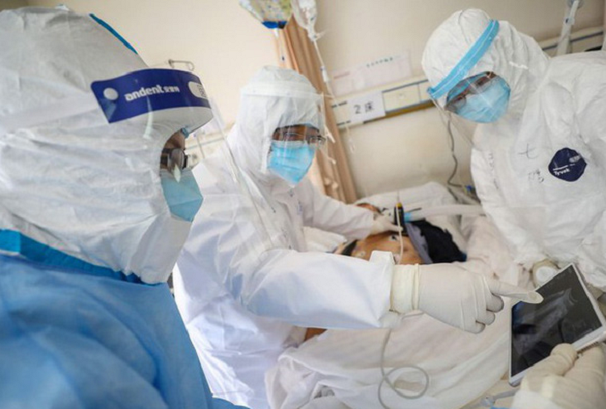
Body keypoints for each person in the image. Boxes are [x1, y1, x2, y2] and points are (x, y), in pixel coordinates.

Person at [173, 66, 538, 408]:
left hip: (299, 335)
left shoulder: (273, 172)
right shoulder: (213, 194)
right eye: (295, 136)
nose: (304, 147)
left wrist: (371, 224)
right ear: (260, 127)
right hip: (245, 355)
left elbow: (319, 210)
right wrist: (406, 286)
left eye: (311, 137)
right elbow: (265, 279)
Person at [0, 7, 245, 409]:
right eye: (167, 160)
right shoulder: (43, 352)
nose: (187, 189)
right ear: (59, 162)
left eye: (182, 161)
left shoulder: (114, 279)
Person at [422, 9, 606, 377]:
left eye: (480, 80)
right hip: (591, 299)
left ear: (505, 51)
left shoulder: (596, 86)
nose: (475, 99)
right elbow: (501, 212)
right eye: (460, 97)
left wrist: (592, 275)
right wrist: (538, 262)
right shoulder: (486, 144)